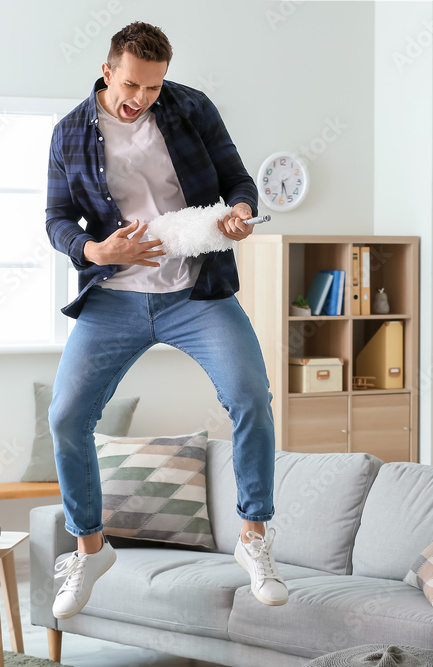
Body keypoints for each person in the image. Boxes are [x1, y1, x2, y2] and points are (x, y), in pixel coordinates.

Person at [44, 21, 286, 620]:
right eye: (132, 85)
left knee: (252, 398)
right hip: (114, 299)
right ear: (107, 71)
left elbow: (237, 179)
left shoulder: (190, 108)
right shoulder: (70, 133)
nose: (141, 99)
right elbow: (56, 220)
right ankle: (90, 548)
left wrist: (240, 212)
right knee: (67, 417)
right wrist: (95, 252)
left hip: (194, 293)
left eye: (153, 88)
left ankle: (254, 539)